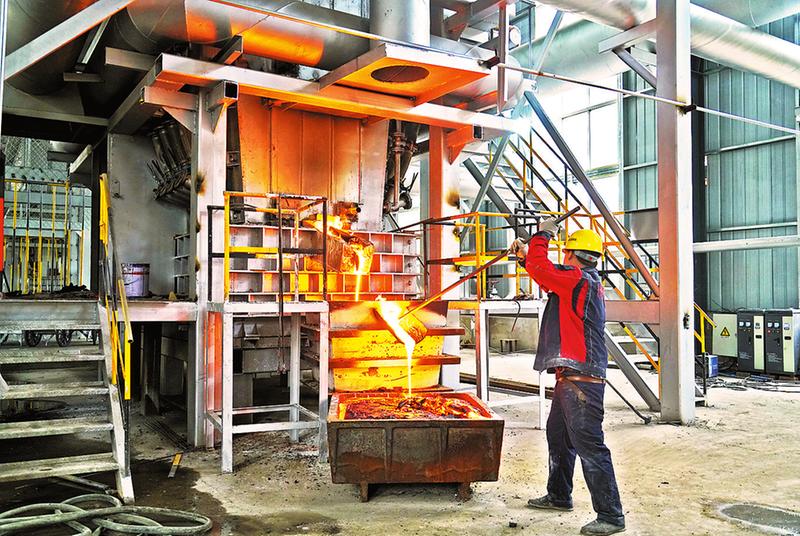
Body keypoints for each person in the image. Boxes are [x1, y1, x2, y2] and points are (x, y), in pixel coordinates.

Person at [510, 217, 625, 536]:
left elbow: (544, 269)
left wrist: (542, 235)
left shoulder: (579, 279)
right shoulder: (579, 280)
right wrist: (525, 257)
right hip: (570, 377)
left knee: (590, 444)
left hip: (582, 378)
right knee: (558, 435)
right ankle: (559, 495)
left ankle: (611, 515)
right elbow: (545, 275)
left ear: (571, 254)